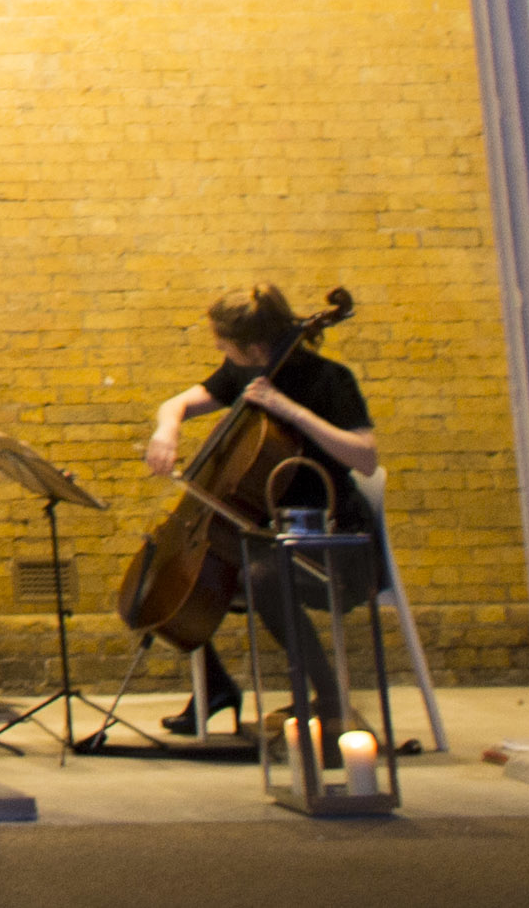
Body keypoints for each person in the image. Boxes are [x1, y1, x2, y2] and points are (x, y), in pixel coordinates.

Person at [139, 284, 379, 738]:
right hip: (267, 535)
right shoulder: (244, 370)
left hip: (332, 540)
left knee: (262, 575)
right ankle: (214, 688)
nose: (220, 353)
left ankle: (330, 700)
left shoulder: (329, 380)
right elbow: (180, 402)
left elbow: (365, 457)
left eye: (224, 345)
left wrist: (290, 410)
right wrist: (167, 429)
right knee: (168, 570)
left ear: (256, 348)